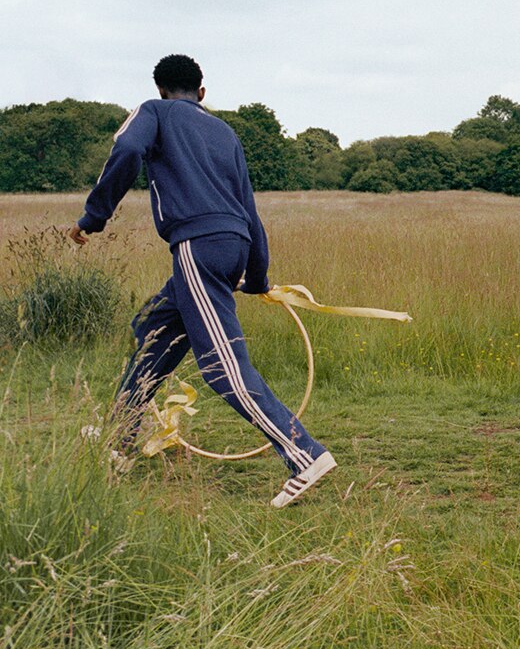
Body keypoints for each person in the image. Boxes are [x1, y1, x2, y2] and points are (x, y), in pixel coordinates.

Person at [68, 54, 336, 508]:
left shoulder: (153, 113)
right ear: (202, 92)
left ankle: (303, 454)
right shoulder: (225, 132)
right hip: (231, 244)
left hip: (196, 246)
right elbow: (248, 206)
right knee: (152, 330)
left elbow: (128, 150)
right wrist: (257, 274)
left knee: (223, 367)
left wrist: (94, 218)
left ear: (160, 90)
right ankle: (120, 441)